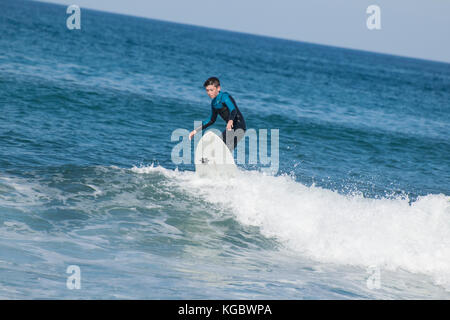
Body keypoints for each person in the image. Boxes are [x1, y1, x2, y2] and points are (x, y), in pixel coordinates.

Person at [189, 77, 246, 151]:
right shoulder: (214, 103)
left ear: (218, 88)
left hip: (239, 126)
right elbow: (211, 120)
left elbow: (233, 110)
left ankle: (225, 160)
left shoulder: (225, 96)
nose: (209, 93)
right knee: (217, 146)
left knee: (225, 149)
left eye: (211, 90)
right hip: (230, 128)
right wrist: (195, 131)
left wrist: (230, 120)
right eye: (207, 90)